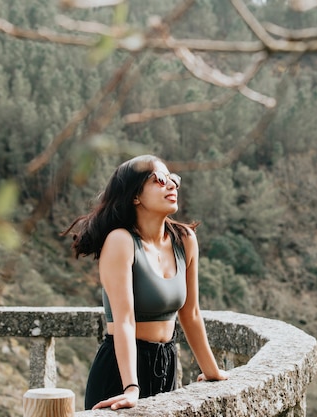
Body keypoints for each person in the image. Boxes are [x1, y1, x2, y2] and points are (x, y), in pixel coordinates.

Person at [62, 154, 229, 410]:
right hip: (122, 371)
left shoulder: (185, 239)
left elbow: (191, 313)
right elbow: (125, 320)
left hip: (167, 363)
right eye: (160, 180)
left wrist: (212, 371)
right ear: (135, 196)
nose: (172, 185)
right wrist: (131, 388)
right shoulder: (121, 241)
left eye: (173, 179)